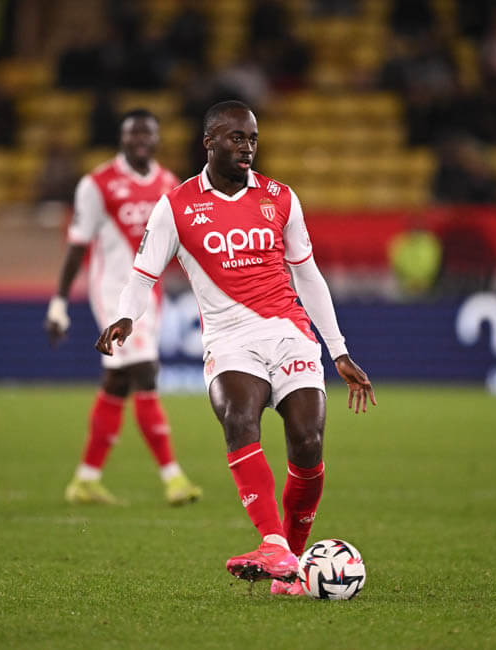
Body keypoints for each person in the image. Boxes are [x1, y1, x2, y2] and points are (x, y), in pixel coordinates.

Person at [96, 100, 376, 596]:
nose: (247, 147)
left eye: (252, 139)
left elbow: (308, 276)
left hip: (289, 332)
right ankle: (273, 542)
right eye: (236, 138)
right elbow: (142, 276)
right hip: (229, 338)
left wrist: (338, 350)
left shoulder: (280, 198)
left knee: (308, 441)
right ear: (209, 142)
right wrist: (125, 315)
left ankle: (288, 563)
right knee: (238, 418)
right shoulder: (177, 206)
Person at [46, 109, 203, 507]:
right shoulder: (97, 184)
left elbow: (183, 243)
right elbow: (77, 246)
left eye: (147, 134)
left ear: (157, 139)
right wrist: (60, 303)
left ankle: (85, 479)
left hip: (150, 294)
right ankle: (173, 477)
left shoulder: (169, 183)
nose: (140, 141)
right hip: (113, 295)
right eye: (133, 134)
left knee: (117, 383)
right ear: (122, 138)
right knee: (145, 373)